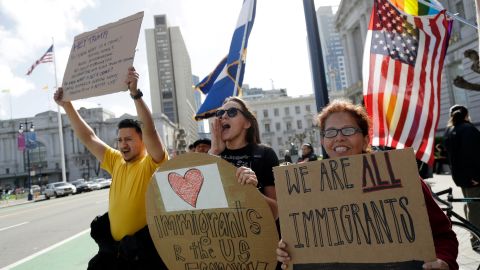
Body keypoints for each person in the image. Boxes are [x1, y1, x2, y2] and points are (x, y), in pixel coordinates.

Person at [276, 99, 458, 270]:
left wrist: (444, 261)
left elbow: (444, 236)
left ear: (365, 139)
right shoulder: (308, 190)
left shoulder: (400, 177)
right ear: (323, 141)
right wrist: (289, 252)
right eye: (330, 132)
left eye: (348, 130)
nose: (339, 138)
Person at [54, 67, 168, 269]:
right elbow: (89, 137)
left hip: (144, 255)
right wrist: (67, 106)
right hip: (116, 252)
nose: (123, 144)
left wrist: (135, 94)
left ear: (143, 141)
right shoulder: (116, 161)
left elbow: (149, 129)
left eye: (129, 140)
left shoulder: (153, 163)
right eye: (120, 140)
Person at [210, 96, 279, 219]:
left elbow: (276, 212)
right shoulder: (213, 156)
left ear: (247, 123)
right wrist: (214, 152)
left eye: (232, 112)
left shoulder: (265, 154)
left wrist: (252, 191)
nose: (224, 116)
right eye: (220, 112)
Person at [444, 104, 480, 250]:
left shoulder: (450, 131)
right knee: (476, 207)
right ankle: (476, 239)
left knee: (470, 205)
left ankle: (474, 235)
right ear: (466, 115)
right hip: (474, 177)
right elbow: (475, 155)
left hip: (461, 177)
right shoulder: (468, 129)